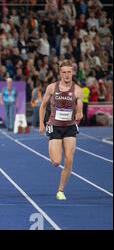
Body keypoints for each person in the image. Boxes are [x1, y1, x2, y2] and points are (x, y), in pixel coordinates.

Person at [39, 60, 83, 200]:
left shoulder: (77, 90)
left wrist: (79, 114)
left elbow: (80, 109)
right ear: (60, 73)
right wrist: (41, 123)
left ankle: (60, 190)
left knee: (69, 159)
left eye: (69, 72)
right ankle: (52, 147)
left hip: (70, 126)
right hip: (55, 126)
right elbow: (43, 106)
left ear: (72, 72)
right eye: (64, 72)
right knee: (56, 162)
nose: (67, 74)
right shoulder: (52, 88)